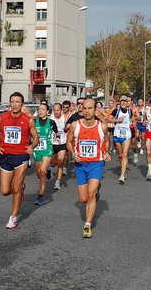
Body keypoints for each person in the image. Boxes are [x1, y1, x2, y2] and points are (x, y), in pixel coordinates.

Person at [66, 97, 111, 238]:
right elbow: (68, 142)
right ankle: (96, 192)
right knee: (83, 199)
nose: (86, 111)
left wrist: (106, 152)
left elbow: (107, 141)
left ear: (95, 109)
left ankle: (87, 225)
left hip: (96, 163)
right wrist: (73, 154)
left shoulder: (101, 126)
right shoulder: (75, 125)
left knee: (90, 194)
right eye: (84, 108)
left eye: (89, 108)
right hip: (80, 164)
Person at [0, 92, 39, 229]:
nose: (14, 104)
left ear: (22, 104)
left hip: (21, 156)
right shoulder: (1, 118)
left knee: (16, 187)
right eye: (12, 101)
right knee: (4, 190)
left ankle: (13, 218)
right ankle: (20, 190)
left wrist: (32, 146)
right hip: (6, 156)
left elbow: (36, 137)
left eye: (17, 102)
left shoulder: (28, 120)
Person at [33, 103, 59, 205]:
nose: (40, 111)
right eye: (39, 109)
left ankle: (40, 196)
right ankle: (48, 170)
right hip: (36, 150)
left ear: (47, 111)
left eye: (43, 109)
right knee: (39, 174)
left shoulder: (51, 122)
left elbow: (56, 131)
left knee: (42, 172)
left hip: (47, 149)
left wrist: (57, 137)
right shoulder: (34, 121)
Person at [107, 95, 134, 184]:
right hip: (117, 135)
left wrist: (134, 123)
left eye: (125, 101)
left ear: (127, 103)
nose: (123, 103)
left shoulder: (130, 111)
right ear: (120, 103)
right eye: (122, 101)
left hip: (126, 135)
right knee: (120, 155)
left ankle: (122, 175)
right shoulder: (116, 111)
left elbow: (134, 120)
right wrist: (117, 120)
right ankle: (123, 167)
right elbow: (108, 119)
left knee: (125, 155)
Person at [50, 102, 67, 190]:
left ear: (61, 110)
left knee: (60, 161)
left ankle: (57, 181)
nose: (56, 112)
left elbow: (69, 128)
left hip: (62, 143)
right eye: (55, 110)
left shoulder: (65, 118)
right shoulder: (50, 118)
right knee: (53, 163)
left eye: (58, 110)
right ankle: (50, 168)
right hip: (52, 144)